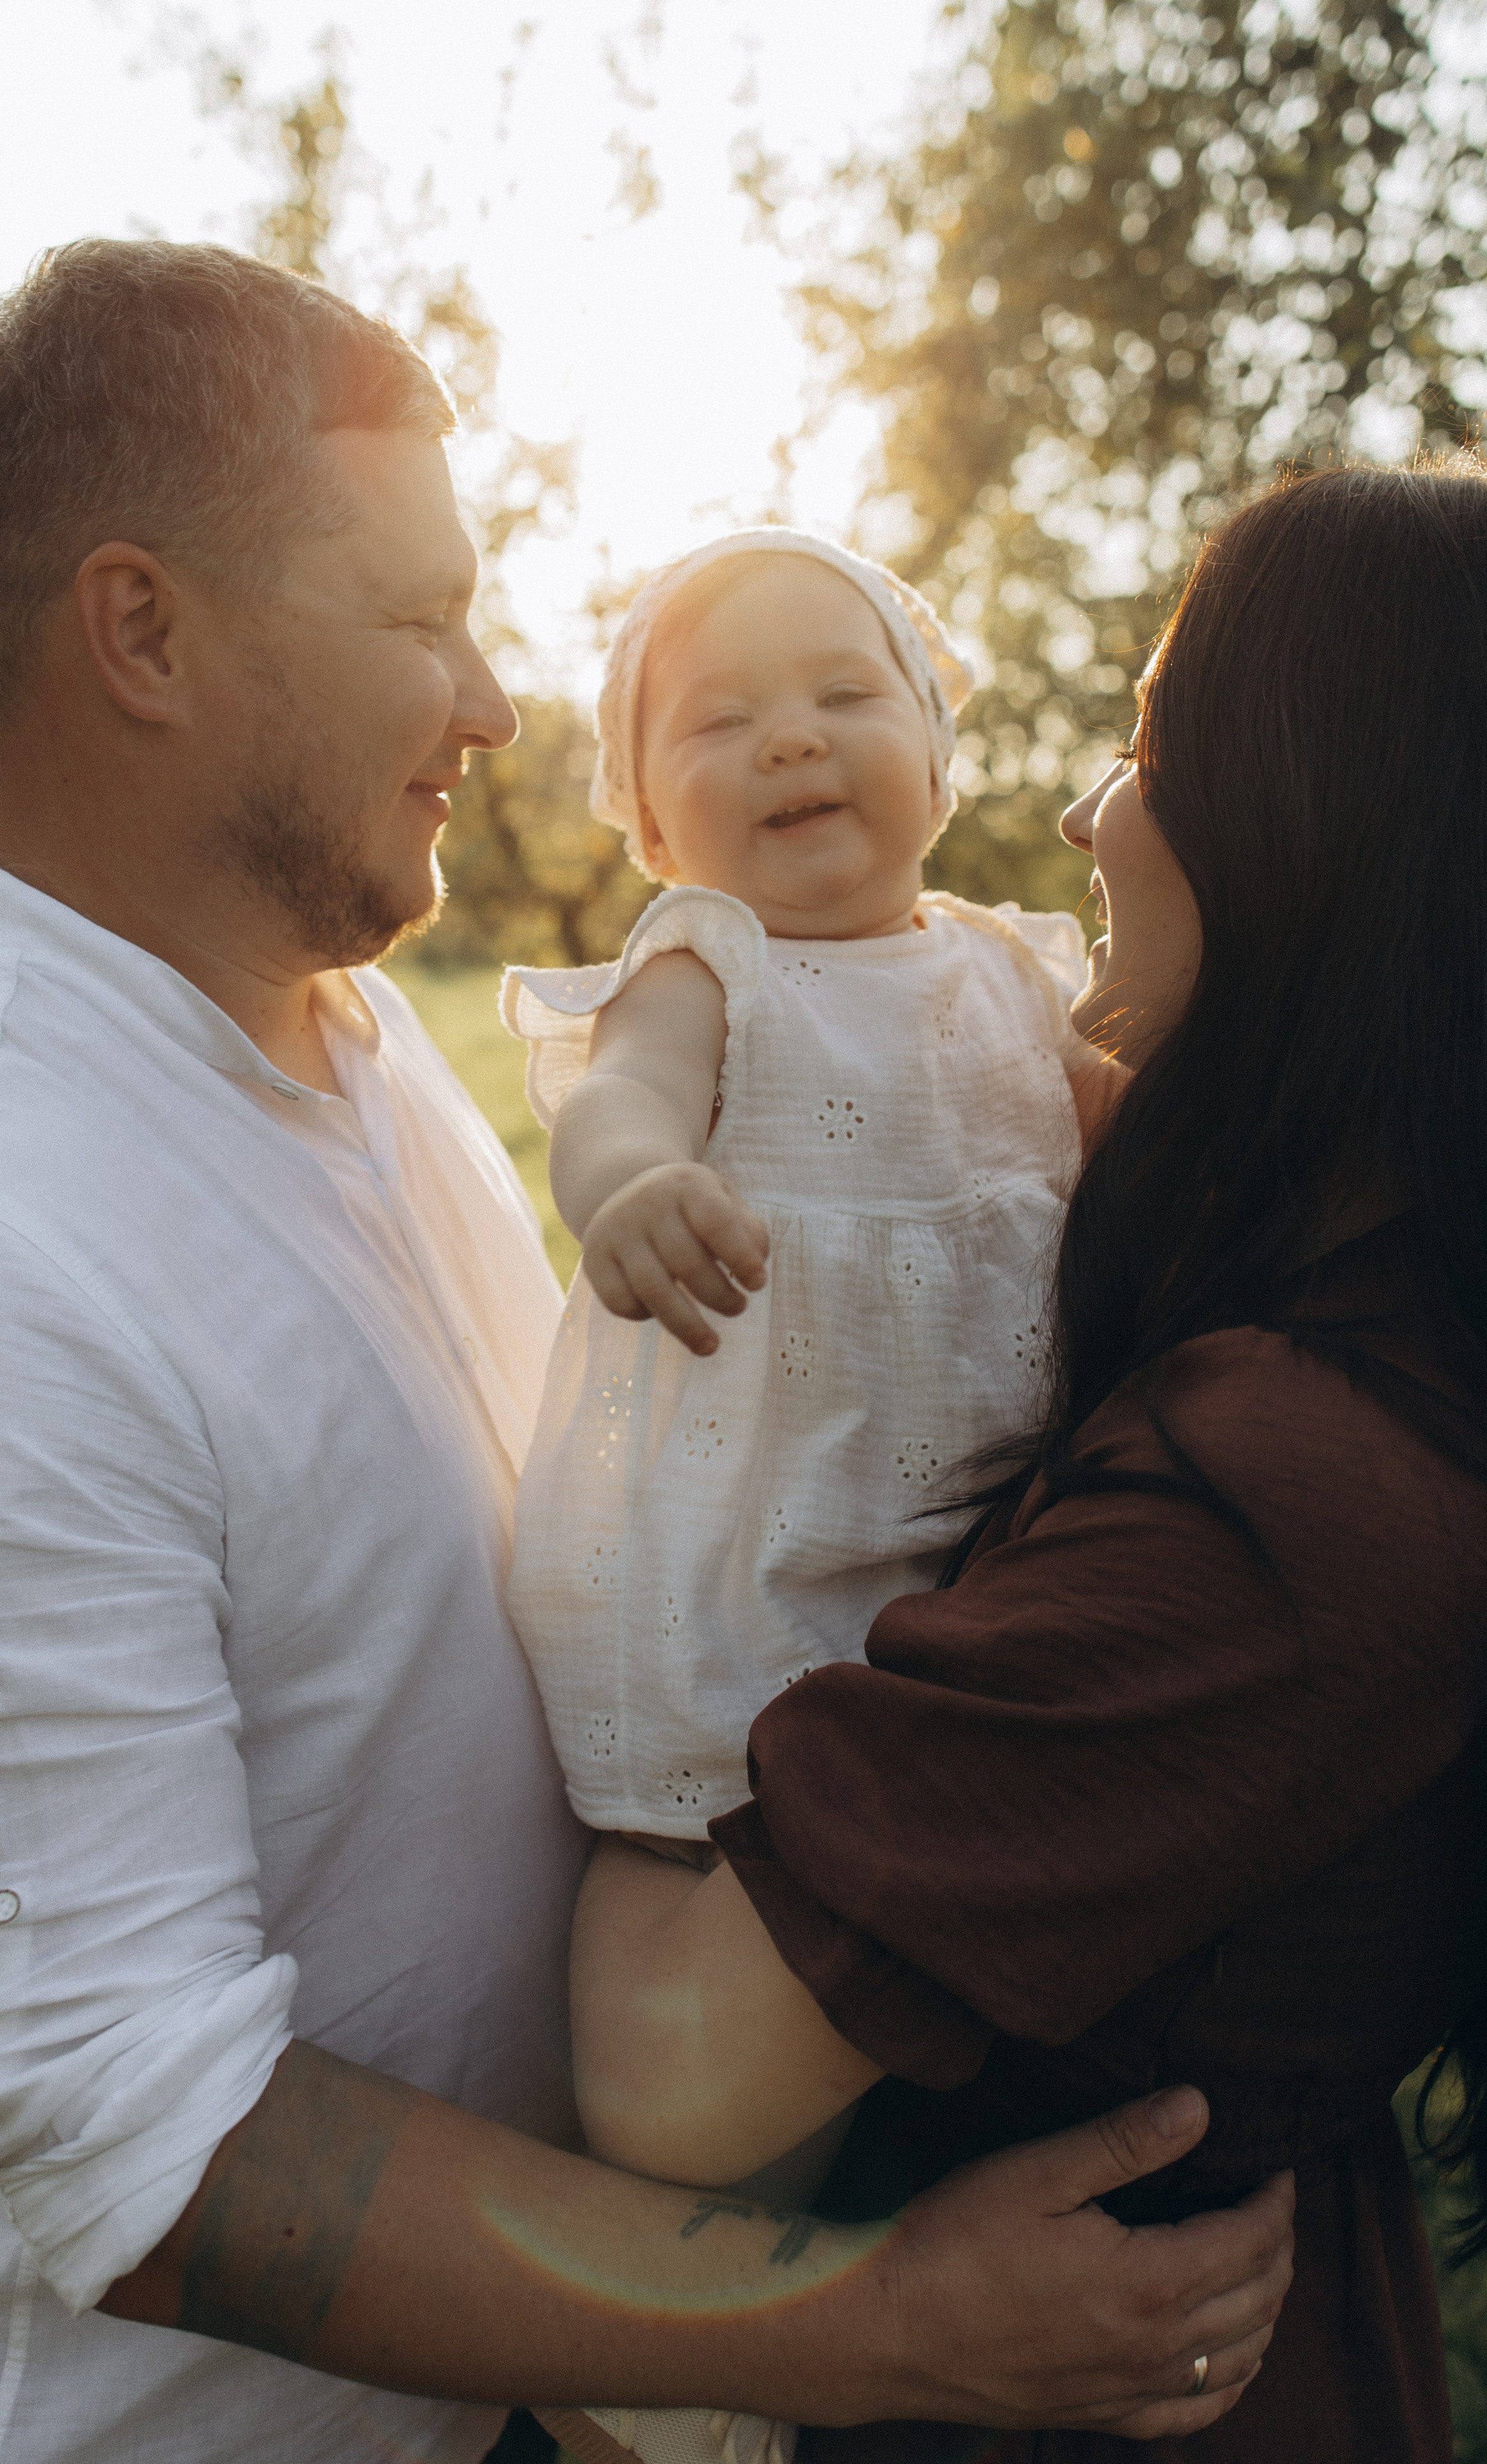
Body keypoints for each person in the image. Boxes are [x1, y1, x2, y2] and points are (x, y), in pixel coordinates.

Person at [0, 240, 1289, 2464]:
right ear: (143, 632)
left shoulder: (334, 1031)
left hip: (512, 2393)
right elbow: (156, 2156)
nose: (499, 702)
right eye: (418, 618)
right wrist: (883, 2324)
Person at [569, 463, 1487, 2463]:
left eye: (1157, 745)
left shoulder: (1289, 1510)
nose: (1086, 810)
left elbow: (664, 2075)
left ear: (1316, 819)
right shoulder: (1342, 1317)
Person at [500, 529, 1117, 2464]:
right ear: (640, 807)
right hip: (740, 1570)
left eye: (847, 695)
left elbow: (1154, 1156)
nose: (792, 741)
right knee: (677, 1924)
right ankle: (657, 2374)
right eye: (720, 718)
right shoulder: (715, 963)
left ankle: (765, 2325)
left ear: (943, 744)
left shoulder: (1022, 977)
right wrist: (626, 1186)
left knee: (851, 1988)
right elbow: (618, 1095)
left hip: (959, 1569)